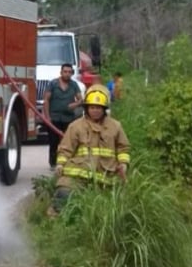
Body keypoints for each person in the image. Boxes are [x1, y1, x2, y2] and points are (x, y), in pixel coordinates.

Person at [48, 87, 130, 216]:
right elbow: (65, 148)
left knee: (109, 210)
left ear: (104, 109)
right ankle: (58, 227)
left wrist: (124, 163)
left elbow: (123, 148)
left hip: (106, 177)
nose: (95, 111)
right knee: (63, 195)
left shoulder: (115, 126)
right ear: (86, 108)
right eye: (92, 107)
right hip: (78, 175)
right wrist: (60, 164)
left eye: (98, 108)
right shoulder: (76, 126)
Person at [41, 63, 82, 169]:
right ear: (61, 72)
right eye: (65, 72)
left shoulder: (74, 85)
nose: (67, 74)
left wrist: (75, 104)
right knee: (53, 142)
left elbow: (81, 100)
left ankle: (67, 161)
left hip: (68, 119)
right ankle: (53, 163)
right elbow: (46, 100)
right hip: (54, 118)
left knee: (68, 142)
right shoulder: (53, 84)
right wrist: (47, 117)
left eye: (69, 72)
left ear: (72, 73)